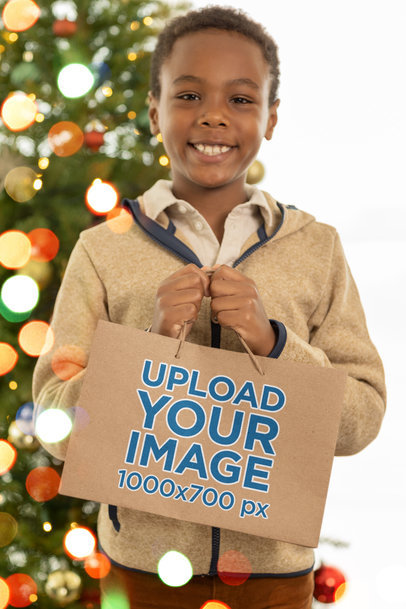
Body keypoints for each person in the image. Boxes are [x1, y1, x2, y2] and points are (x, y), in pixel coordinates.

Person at [33, 6, 386, 609]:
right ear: (154, 112)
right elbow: (56, 427)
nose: (214, 115)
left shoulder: (317, 248)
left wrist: (275, 343)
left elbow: (360, 420)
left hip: (275, 579)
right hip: (140, 575)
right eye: (189, 94)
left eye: (242, 99)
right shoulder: (102, 252)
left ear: (272, 118)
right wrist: (147, 343)